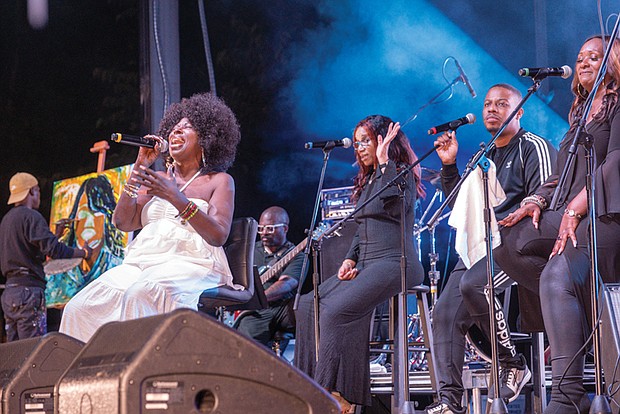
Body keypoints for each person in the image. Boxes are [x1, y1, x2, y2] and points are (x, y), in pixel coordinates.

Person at [495, 35, 620, 413]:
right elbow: (563, 174)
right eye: (580, 57)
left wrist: (575, 208)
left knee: (555, 275)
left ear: (612, 64)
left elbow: (615, 164)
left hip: (606, 212)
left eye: (594, 57)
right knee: (507, 242)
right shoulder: (580, 113)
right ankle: (575, 314)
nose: (583, 63)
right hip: (570, 210)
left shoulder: (618, 106)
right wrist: (536, 200)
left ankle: (568, 395)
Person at [60, 92, 241, 343]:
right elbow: (122, 222)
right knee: (80, 307)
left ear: (207, 140)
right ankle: (84, 377)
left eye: (186, 128)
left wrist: (176, 198)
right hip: (142, 264)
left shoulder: (219, 181)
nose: (176, 133)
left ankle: (139, 374)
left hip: (191, 262)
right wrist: (139, 166)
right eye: (174, 129)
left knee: (140, 294)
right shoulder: (152, 179)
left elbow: (218, 234)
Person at [426, 84, 557, 414]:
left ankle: (512, 363)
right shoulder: (483, 156)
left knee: (474, 284)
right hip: (481, 245)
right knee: (442, 315)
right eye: (487, 104)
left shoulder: (532, 146)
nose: (492, 109)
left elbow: (545, 199)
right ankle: (449, 402)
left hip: (516, 246)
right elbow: (462, 208)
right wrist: (449, 165)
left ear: (520, 111)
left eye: (502, 104)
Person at [295, 115, 425, 413]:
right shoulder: (368, 181)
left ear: (385, 141)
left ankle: (322, 395)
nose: (360, 147)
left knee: (335, 312)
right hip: (366, 262)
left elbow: (390, 204)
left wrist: (383, 163)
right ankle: (328, 391)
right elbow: (362, 226)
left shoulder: (401, 173)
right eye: (357, 142)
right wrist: (349, 258)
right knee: (305, 305)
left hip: (396, 261)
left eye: (366, 140)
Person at [0, 172, 89, 341]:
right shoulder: (31, 216)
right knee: (33, 350)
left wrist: (55, 234)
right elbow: (54, 250)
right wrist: (83, 253)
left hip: (10, 293)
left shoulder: (7, 220)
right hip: (28, 292)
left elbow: (30, 252)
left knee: (13, 352)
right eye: (38, 191)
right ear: (32, 191)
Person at [46, 175, 125, 308]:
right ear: (73, 219)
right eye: (83, 213)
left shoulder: (117, 268)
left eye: (96, 212)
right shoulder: (57, 275)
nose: (89, 221)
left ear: (108, 218)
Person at [234, 206, 305, 352]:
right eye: (261, 228)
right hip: (254, 309)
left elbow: (288, 282)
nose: (264, 233)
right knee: (247, 340)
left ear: (285, 229)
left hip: (281, 307)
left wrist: (259, 298)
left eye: (270, 229)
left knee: (307, 311)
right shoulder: (250, 251)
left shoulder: (297, 255)